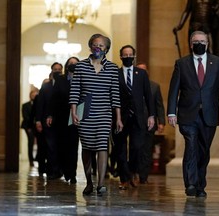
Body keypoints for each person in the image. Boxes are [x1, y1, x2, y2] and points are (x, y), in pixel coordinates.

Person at [167, 31, 219, 198]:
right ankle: (190, 183)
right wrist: (171, 112)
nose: (199, 43)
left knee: (204, 150)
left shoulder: (218, 63)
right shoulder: (181, 64)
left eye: (202, 41)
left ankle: (200, 185)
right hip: (187, 114)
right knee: (191, 146)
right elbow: (174, 89)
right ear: (190, 44)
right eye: (196, 41)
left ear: (207, 43)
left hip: (209, 114)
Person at [69, 34, 123, 196]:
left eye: (100, 45)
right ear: (90, 46)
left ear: (106, 48)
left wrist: (118, 117)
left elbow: (115, 94)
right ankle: (89, 182)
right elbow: (75, 90)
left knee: (102, 146)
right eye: (94, 44)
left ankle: (100, 183)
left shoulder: (112, 68)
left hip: (104, 113)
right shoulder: (81, 66)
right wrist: (73, 112)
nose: (97, 47)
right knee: (86, 147)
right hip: (85, 112)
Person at [113, 45, 155, 190]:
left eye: (131, 54)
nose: (128, 57)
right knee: (120, 149)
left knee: (137, 147)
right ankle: (124, 178)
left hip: (138, 117)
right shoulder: (115, 74)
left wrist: (151, 115)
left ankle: (131, 172)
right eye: (125, 55)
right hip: (120, 117)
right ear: (121, 57)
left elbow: (148, 96)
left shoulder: (141, 74)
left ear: (134, 56)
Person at [173, 0, 219, 68]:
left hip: (208, 26)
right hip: (195, 26)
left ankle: (212, 70)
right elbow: (187, 11)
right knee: (195, 52)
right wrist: (179, 26)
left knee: (211, 50)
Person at [46, 57, 80, 184]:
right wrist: (50, 115)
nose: (73, 65)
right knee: (61, 145)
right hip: (61, 117)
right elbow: (53, 98)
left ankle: (72, 174)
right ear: (67, 65)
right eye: (70, 63)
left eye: (75, 64)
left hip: (76, 117)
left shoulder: (82, 78)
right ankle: (62, 170)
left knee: (73, 146)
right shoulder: (60, 79)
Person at [136, 62, 166, 184]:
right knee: (135, 149)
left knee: (147, 150)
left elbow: (159, 105)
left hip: (150, 123)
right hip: (135, 123)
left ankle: (143, 176)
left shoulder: (154, 86)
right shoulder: (130, 85)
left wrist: (161, 122)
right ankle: (134, 173)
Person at [35, 62, 63, 180]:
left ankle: (60, 170)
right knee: (51, 147)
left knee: (61, 147)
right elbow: (40, 104)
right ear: (51, 71)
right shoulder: (46, 87)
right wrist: (38, 121)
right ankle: (52, 171)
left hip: (62, 122)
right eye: (55, 69)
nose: (57, 71)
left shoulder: (66, 84)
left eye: (59, 69)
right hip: (47, 122)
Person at [21, 89, 38, 167]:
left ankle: (37, 158)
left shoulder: (39, 104)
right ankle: (31, 160)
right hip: (28, 126)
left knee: (41, 143)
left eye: (35, 95)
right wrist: (30, 126)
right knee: (30, 142)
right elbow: (26, 117)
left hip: (37, 126)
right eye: (32, 95)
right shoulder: (25, 105)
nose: (33, 96)